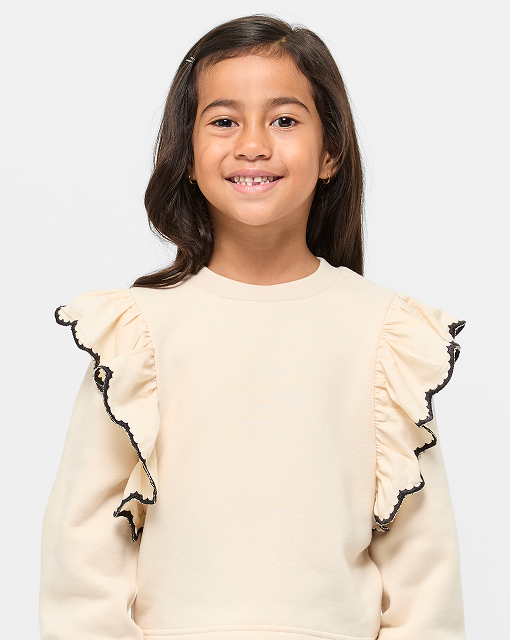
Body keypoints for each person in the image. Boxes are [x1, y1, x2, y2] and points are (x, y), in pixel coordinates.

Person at [39, 14, 467, 640]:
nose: (253, 145)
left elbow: (422, 570)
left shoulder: (385, 333)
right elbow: (84, 553)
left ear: (330, 153)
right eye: (223, 121)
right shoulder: (138, 332)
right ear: (187, 155)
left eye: (285, 120)